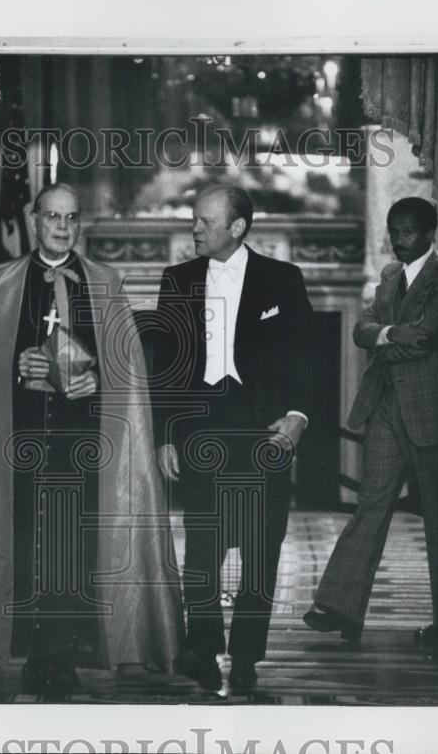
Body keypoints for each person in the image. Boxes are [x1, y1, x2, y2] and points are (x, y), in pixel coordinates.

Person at [0, 183, 184, 696]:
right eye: (52, 217)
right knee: (28, 547)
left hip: (86, 447)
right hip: (19, 444)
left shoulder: (106, 282)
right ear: (32, 219)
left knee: (73, 547)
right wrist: (17, 365)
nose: (62, 227)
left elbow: (128, 371)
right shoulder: (2, 284)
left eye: (71, 218)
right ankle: (36, 652)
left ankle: (64, 653)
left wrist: (101, 381)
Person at [152, 185, 315, 692]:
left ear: (238, 227)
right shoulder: (176, 281)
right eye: (194, 219)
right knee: (202, 549)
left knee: (262, 549)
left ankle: (246, 657)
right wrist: (167, 436)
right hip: (200, 432)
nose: (194, 229)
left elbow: (307, 358)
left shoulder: (282, 280)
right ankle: (201, 651)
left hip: (264, 433)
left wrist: (298, 416)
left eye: (204, 221)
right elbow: (166, 368)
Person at [303, 196, 438, 648]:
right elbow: (360, 330)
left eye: (408, 232)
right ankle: (340, 608)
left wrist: (385, 338)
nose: (400, 240)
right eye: (394, 231)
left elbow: (425, 339)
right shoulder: (389, 276)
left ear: (430, 235)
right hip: (385, 406)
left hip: (426, 412)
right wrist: (390, 334)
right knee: (371, 504)